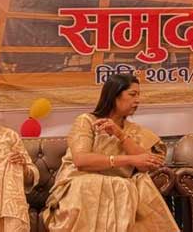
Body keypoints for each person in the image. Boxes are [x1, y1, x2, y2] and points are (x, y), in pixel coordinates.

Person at [42, 73, 178, 232]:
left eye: (139, 95)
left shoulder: (136, 131)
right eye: (132, 94)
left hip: (119, 189)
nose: (137, 100)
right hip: (80, 182)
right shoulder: (87, 121)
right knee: (91, 185)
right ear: (114, 95)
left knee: (123, 187)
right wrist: (128, 160)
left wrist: (120, 134)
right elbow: (81, 161)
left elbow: (146, 163)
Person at [0, 76, 39, 232]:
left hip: (4, 198)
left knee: (12, 165)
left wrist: (22, 167)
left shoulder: (9, 136)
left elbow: (31, 175)